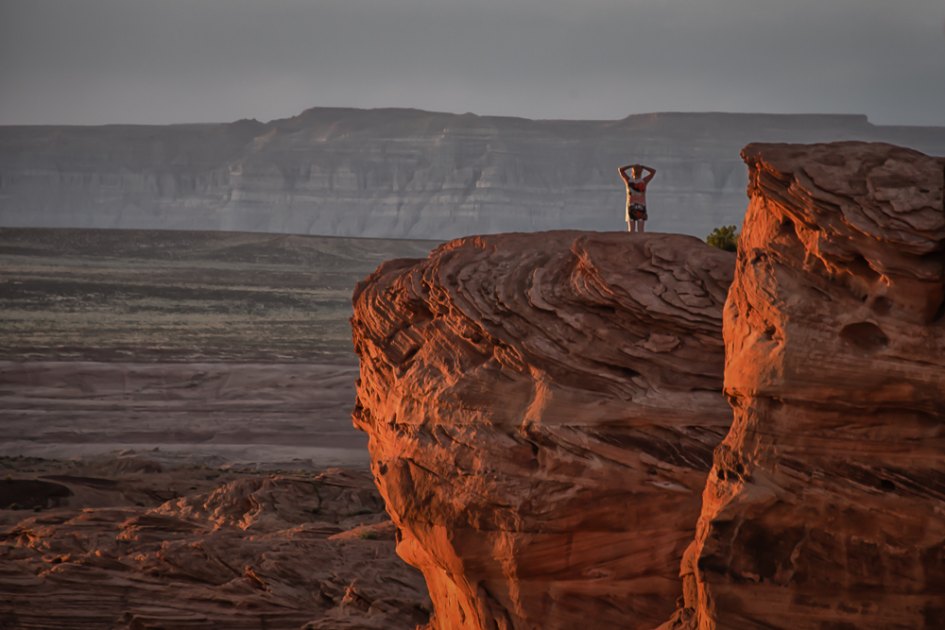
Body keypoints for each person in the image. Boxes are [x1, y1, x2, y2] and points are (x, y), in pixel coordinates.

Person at [617, 162, 656, 233]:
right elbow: (653, 171)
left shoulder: (629, 181)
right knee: (640, 230)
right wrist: (643, 166)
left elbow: (621, 170)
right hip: (641, 205)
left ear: (632, 171)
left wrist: (631, 166)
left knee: (631, 230)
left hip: (632, 205)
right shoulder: (643, 181)